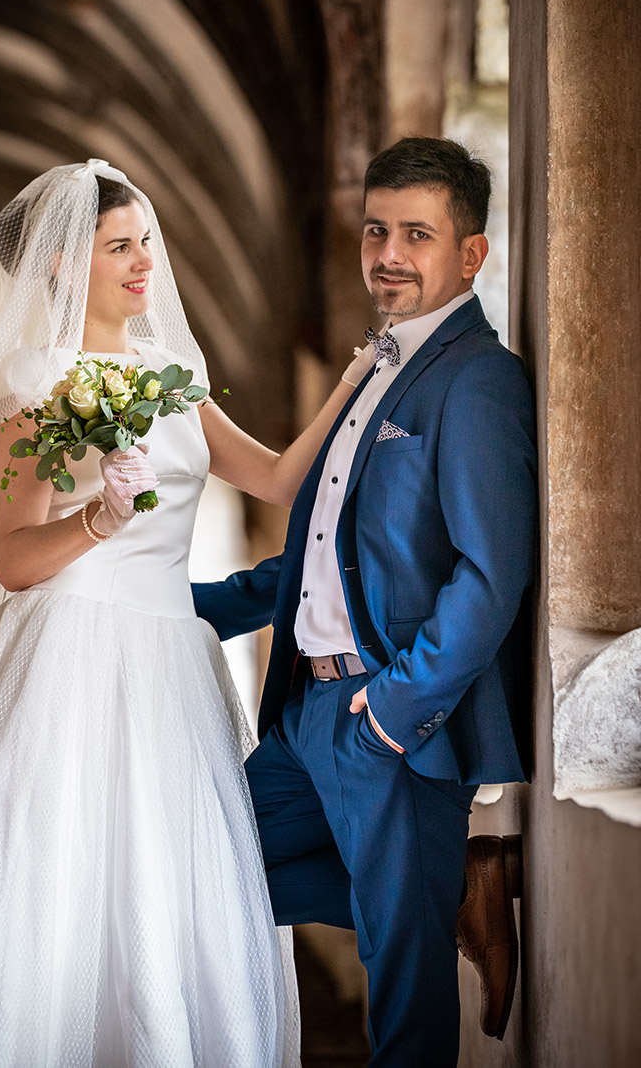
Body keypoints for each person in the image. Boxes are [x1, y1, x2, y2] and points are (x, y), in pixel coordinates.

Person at [0, 159, 360, 1068]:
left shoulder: (176, 382)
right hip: (70, 657)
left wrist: (359, 386)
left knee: (171, 886)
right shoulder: (34, 387)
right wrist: (98, 517)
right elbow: (12, 561)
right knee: (61, 883)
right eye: (120, 247)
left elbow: (283, 478)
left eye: (146, 244)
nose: (143, 264)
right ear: (61, 267)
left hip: (170, 664)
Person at [194, 137, 538, 1067]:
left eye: (416, 234)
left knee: (403, 994)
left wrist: (394, 710)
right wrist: (185, 609)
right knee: (205, 875)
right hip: (307, 713)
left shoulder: (477, 381)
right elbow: (321, 555)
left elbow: (491, 576)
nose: (389, 252)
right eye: (377, 229)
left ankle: (439, 902)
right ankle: (461, 892)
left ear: (471, 253)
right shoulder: (376, 368)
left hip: (387, 725)